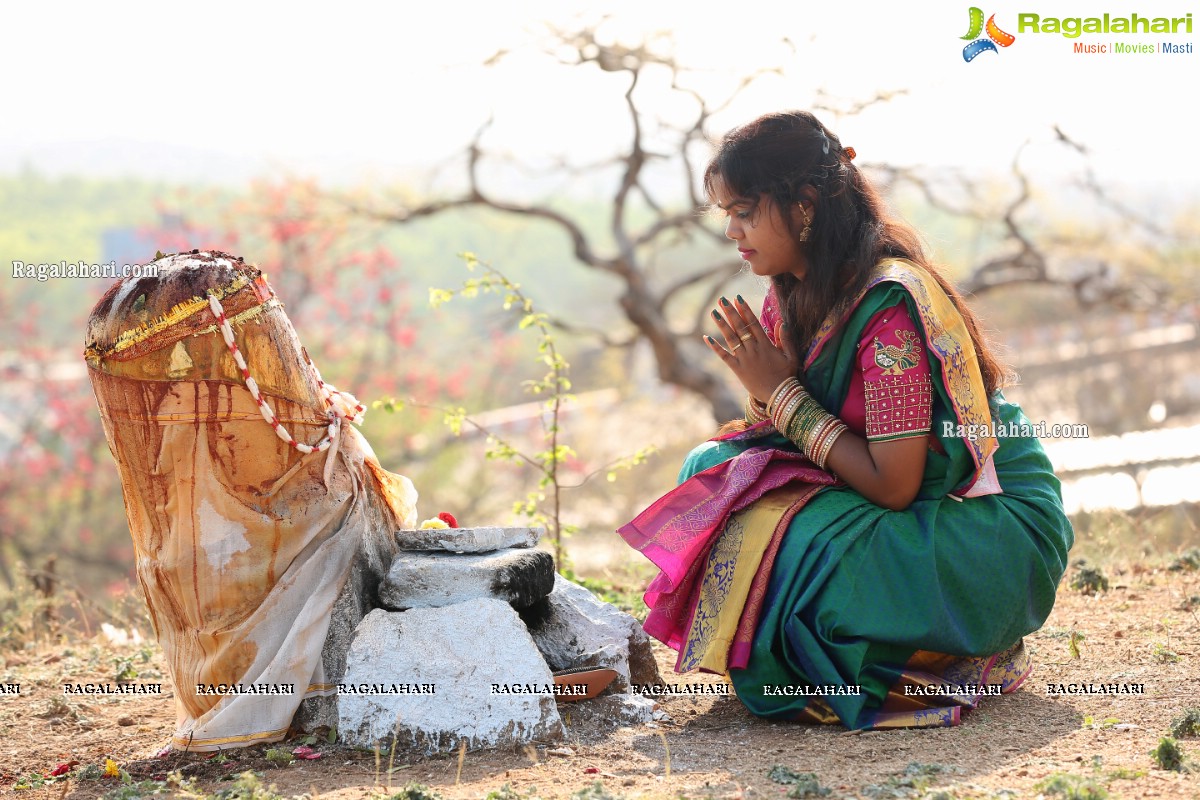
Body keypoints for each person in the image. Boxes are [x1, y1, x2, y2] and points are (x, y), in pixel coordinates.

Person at [618, 111, 1073, 729]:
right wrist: (769, 397)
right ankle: (809, 648)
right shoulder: (793, 290)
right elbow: (789, 437)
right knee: (712, 471)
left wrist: (779, 393)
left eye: (746, 211)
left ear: (804, 204)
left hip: (980, 522)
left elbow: (895, 485)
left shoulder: (890, 306)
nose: (732, 230)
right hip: (897, 501)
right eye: (727, 213)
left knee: (803, 540)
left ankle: (900, 655)